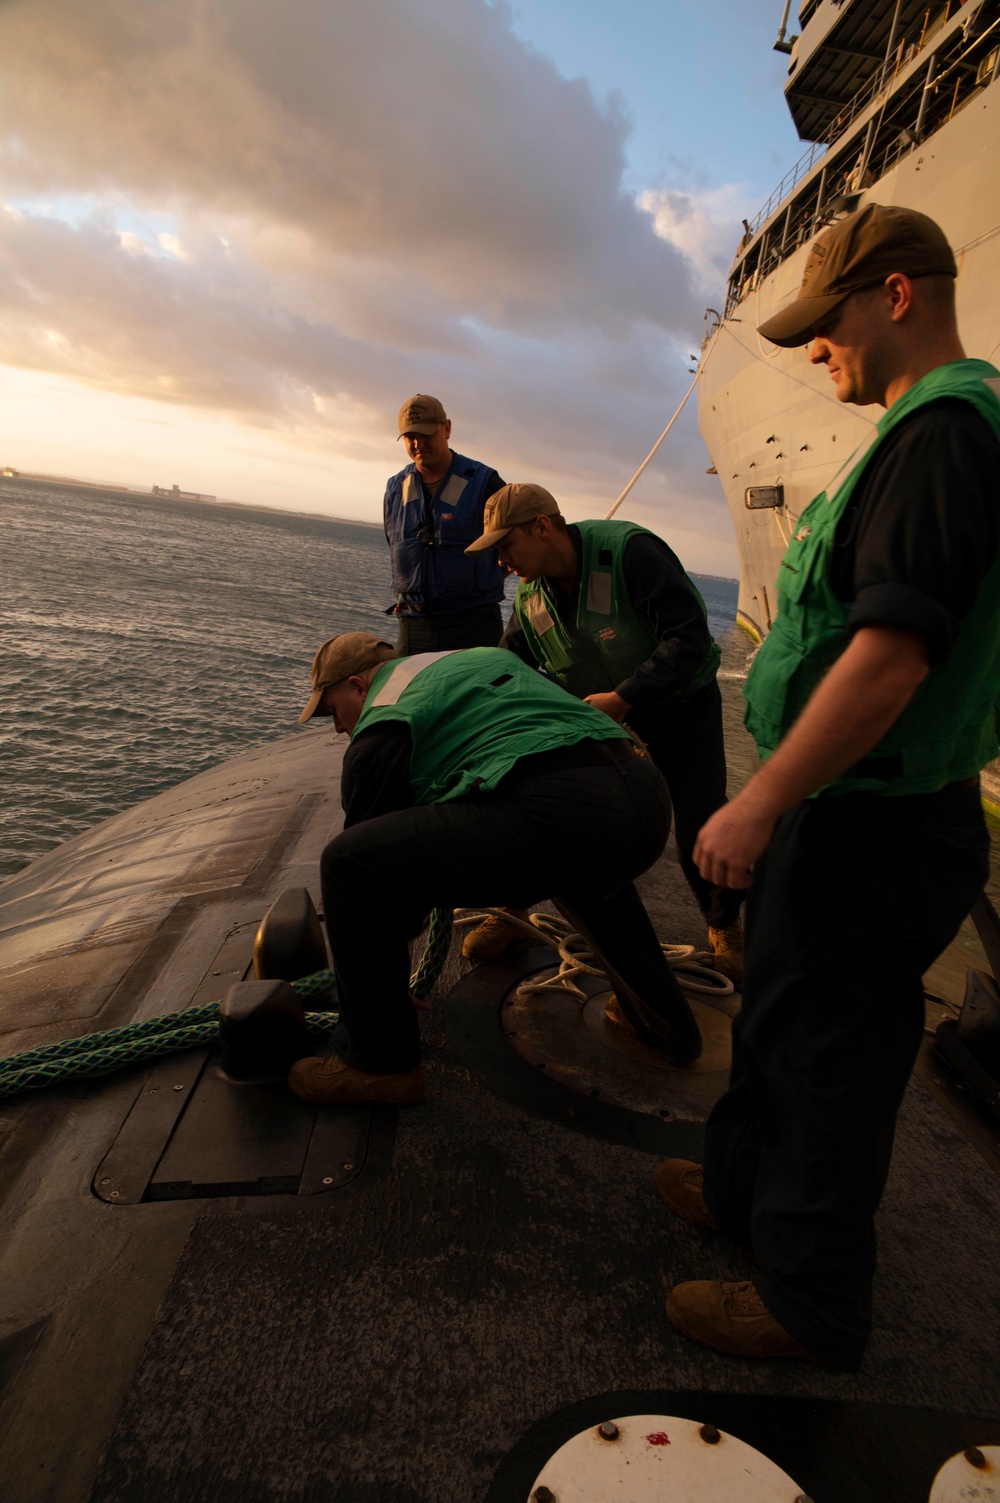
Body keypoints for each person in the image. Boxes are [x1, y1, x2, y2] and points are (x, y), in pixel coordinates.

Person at [656, 203, 1000, 1370]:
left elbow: (892, 652)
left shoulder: (946, 433)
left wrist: (757, 801)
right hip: (851, 809)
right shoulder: (924, 429)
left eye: (827, 320)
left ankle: (809, 1303)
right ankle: (741, 1193)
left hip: (877, 820)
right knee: (777, 1014)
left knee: (830, 1058)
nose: (813, 348)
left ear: (896, 295)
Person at [290, 632, 702, 1105]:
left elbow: (375, 877)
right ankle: (663, 1024)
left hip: (564, 811)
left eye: (331, 711)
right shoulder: (468, 659)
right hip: (641, 797)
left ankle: (377, 1063)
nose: (337, 729)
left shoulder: (382, 728)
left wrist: (378, 988)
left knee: (345, 864)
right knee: (582, 868)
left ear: (359, 686)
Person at [461, 484, 744, 980]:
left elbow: (688, 637)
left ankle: (726, 927)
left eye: (506, 546)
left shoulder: (630, 553)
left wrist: (627, 698)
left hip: (680, 705)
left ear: (542, 527)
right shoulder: (532, 598)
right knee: (546, 805)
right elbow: (509, 662)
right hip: (599, 713)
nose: (501, 561)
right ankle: (514, 910)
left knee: (700, 820)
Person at [383, 394, 507, 654]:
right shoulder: (395, 489)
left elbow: (515, 547)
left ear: (447, 428)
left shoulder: (486, 483)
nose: (418, 443)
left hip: (473, 625)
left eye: (426, 434)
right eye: (410, 436)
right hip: (413, 627)